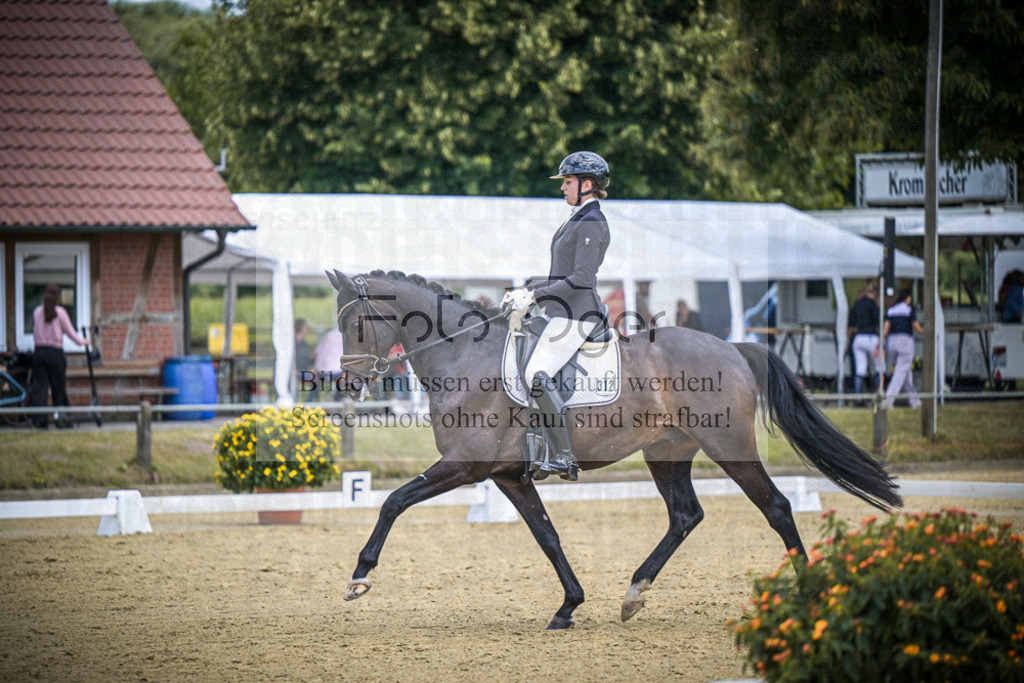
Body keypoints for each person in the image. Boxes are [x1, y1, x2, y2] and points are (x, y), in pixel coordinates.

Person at [502, 151, 611, 481]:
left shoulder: (592, 221)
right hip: (560, 313)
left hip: (579, 315)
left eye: (567, 181)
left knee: (536, 373)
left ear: (587, 184)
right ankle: (536, 446)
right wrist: (527, 286)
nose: (562, 187)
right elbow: (560, 273)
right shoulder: (577, 217)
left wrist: (535, 294)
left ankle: (564, 455)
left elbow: (582, 279)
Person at [30, 283, 88, 429]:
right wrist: (82, 342)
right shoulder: (60, 313)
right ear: (57, 297)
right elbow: (70, 332)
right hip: (55, 353)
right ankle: (61, 420)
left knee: (39, 388)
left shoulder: (37, 312)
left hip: (39, 352)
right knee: (58, 388)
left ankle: (39, 422)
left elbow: (35, 332)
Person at [883, 289, 924, 409]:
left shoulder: (890, 310)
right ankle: (888, 400)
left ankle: (914, 401)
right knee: (900, 372)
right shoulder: (908, 310)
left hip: (892, 341)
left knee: (904, 372)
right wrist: (927, 332)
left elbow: (885, 329)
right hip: (905, 341)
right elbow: (916, 327)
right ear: (907, 298)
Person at [849, 286, 882, 402]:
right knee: (879, 367)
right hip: (871, 337)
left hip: (858, 338)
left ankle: (858, 399)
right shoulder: (872, 303)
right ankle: (878, 396)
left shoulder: (857, 303)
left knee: (860, 369)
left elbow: (851, 320)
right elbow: (878, 320)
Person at [314, 327, 346, 400]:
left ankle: (312, 401)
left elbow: (317, 352)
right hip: (337, 372)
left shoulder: (329, 334)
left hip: (321, 371)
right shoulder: (346, 335)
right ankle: (338, 400)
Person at [293, 318, 314, 400]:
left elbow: (306, 358)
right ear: (301, 328)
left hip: (303, 371)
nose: (307, 328)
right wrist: (294, 370)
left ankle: (308, 404)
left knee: (316, 381)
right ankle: (293, 404)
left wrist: (309, 368)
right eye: (305, 326)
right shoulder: (293, 341)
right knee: (294, 383)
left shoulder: (304, 341)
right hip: (294, 372)